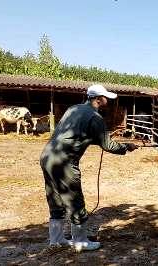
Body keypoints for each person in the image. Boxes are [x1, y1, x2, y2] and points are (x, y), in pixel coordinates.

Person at [40, 84, 139, 251]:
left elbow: (74, 134)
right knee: (75, 200)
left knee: (55, 199)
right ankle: (80, 242)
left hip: (47, 156)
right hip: (64, 162)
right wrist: (126, 147)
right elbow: (108, 145)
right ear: (98, 99)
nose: (107, 100)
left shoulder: (73, 109)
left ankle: (56, 240)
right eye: (105, 97)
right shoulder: (95, 117)